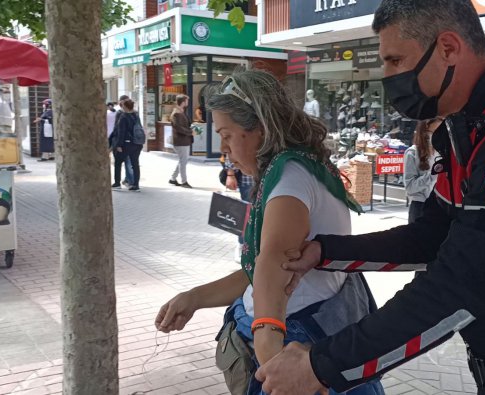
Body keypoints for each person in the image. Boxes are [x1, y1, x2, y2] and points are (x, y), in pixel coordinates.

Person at [256, 1, 485, 394]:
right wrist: (325, 252)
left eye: (395, 60)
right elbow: (431, 238)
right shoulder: (469, 128)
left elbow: (465, 281)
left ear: (449, 48)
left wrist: (321, 364)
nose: (388, 77)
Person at [154, 70, 383, 395]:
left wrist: (274, 365)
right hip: (306, 330)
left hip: (297, 336)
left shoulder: (290, 180)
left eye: (228, 135)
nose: (225, 148)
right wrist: (195, 298)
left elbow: (273, 275)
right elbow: (262, 271)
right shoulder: (301, 167)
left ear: (259, 127)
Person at [403, 118, 440, 223]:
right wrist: (432, 176)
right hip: (420, 206)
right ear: (427, 127)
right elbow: (410, 187)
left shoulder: (442, 151)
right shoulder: (412, 153)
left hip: (440, 206)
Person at [112, 99, 143, 191]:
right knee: (135, 164)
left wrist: (118, 145)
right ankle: (136, 185)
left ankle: (117, 183)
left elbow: (121, 132)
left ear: (124, 106)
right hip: (137, 143)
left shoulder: (123, 117)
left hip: (126, 143)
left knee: (117, 162)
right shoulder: (136, 116)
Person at [109, 95, 135, 187]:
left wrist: (116, 144)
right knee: (130, 163)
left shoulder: (121, 115)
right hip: (132, 143)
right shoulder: (134, 114)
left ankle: (117, 183)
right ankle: (131, 181)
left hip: (121, 142)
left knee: (118, 163)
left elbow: (119, 130)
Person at [169, 95, 193, 188]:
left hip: (184, 140)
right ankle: (184, 182)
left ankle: (173, 179)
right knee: (183, 161)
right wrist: (190, 132)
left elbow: (185, 125)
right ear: (183, 102)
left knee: (182, 161)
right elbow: (179, 128)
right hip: (180, 141)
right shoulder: (176, 113)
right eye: (186, 101)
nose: (187, 103)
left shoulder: (181, 112)